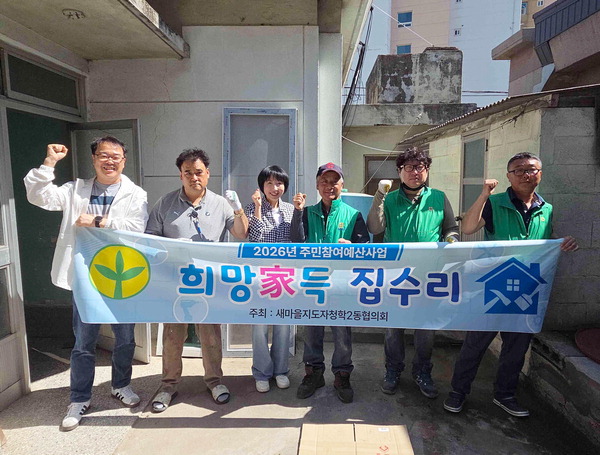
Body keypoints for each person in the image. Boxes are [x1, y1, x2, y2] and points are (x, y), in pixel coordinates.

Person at [24, 137, 148, 431]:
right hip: (85, 277)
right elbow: (38, 196)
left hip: (119, 277)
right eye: (104, 155)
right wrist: (50, 163)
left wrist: (97, 221)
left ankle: (121, 385)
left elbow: (136, 227)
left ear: (124, 161)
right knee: (83, 343)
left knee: (125, 338)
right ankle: (79, 398)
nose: (110, 161)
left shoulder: (136, 194)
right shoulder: (74, 190)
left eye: (116, 156)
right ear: (94, 159)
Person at [443, 152, 578, 417]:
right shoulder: (495, 203)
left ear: (540, 174)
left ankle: (505, 395)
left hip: (527, 289)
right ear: (509, 176)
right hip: (493, 287)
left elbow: (546, 242)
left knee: (516, 348)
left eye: (531, 169)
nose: (525, 175)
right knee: (475, 344)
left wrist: (563, 243)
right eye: (519, 170)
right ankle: (458, 392)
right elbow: (468, 228)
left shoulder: (546, 209)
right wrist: (484, 194)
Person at [145, 148, 248, 411]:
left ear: (208, 174)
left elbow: (241, 233)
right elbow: (150, 239)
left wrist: (238, 209)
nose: (194, 177)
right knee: (172, 335)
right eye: (188, 172)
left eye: (199, 172)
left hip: (208, 281)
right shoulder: (165, 203)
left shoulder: (220, 203)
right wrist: (171, 247)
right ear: (180, 175)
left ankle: (214, 382)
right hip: (175, 281)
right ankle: (168, 386)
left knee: (210, 334)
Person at [367, 147, 459, 400]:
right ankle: (393, 370)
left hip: (428, 275)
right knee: (393, 327)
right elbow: (375, 228)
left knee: (425, 328)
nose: (415, 172)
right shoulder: (389, 199)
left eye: (420, 167)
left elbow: (450, 228)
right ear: (399, 171)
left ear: (427, 171)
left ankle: (422, 371)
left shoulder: (438, 198)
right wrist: (379, 195)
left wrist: (452, 240)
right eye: (409, 167)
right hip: (395, 275)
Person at [290, 162, 369, 403]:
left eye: (334, 181)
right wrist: (297, 212)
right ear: (317, 185)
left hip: (341, 285)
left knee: (342, 333)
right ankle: (313, 373)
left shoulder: (353, 215)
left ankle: (342, 375)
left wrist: (353, 248)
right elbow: (295, 242)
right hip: (313, 283)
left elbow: (366, 249)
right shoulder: (307, 212)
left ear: (342, 185)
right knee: (312, 331)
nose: (329, 186)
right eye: (324, 181)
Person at [244, 165, 295, 393]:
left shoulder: (290, 209)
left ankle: (281, 370)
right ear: (262, 186)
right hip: (260, 277)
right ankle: (262, 372)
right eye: (270, 183)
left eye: (279, 183)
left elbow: (297, 241)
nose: (275, 188)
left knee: (283, 325)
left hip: (284, 277)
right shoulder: (251, 208)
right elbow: (254, 240)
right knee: (260, 326)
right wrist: (257, 208)